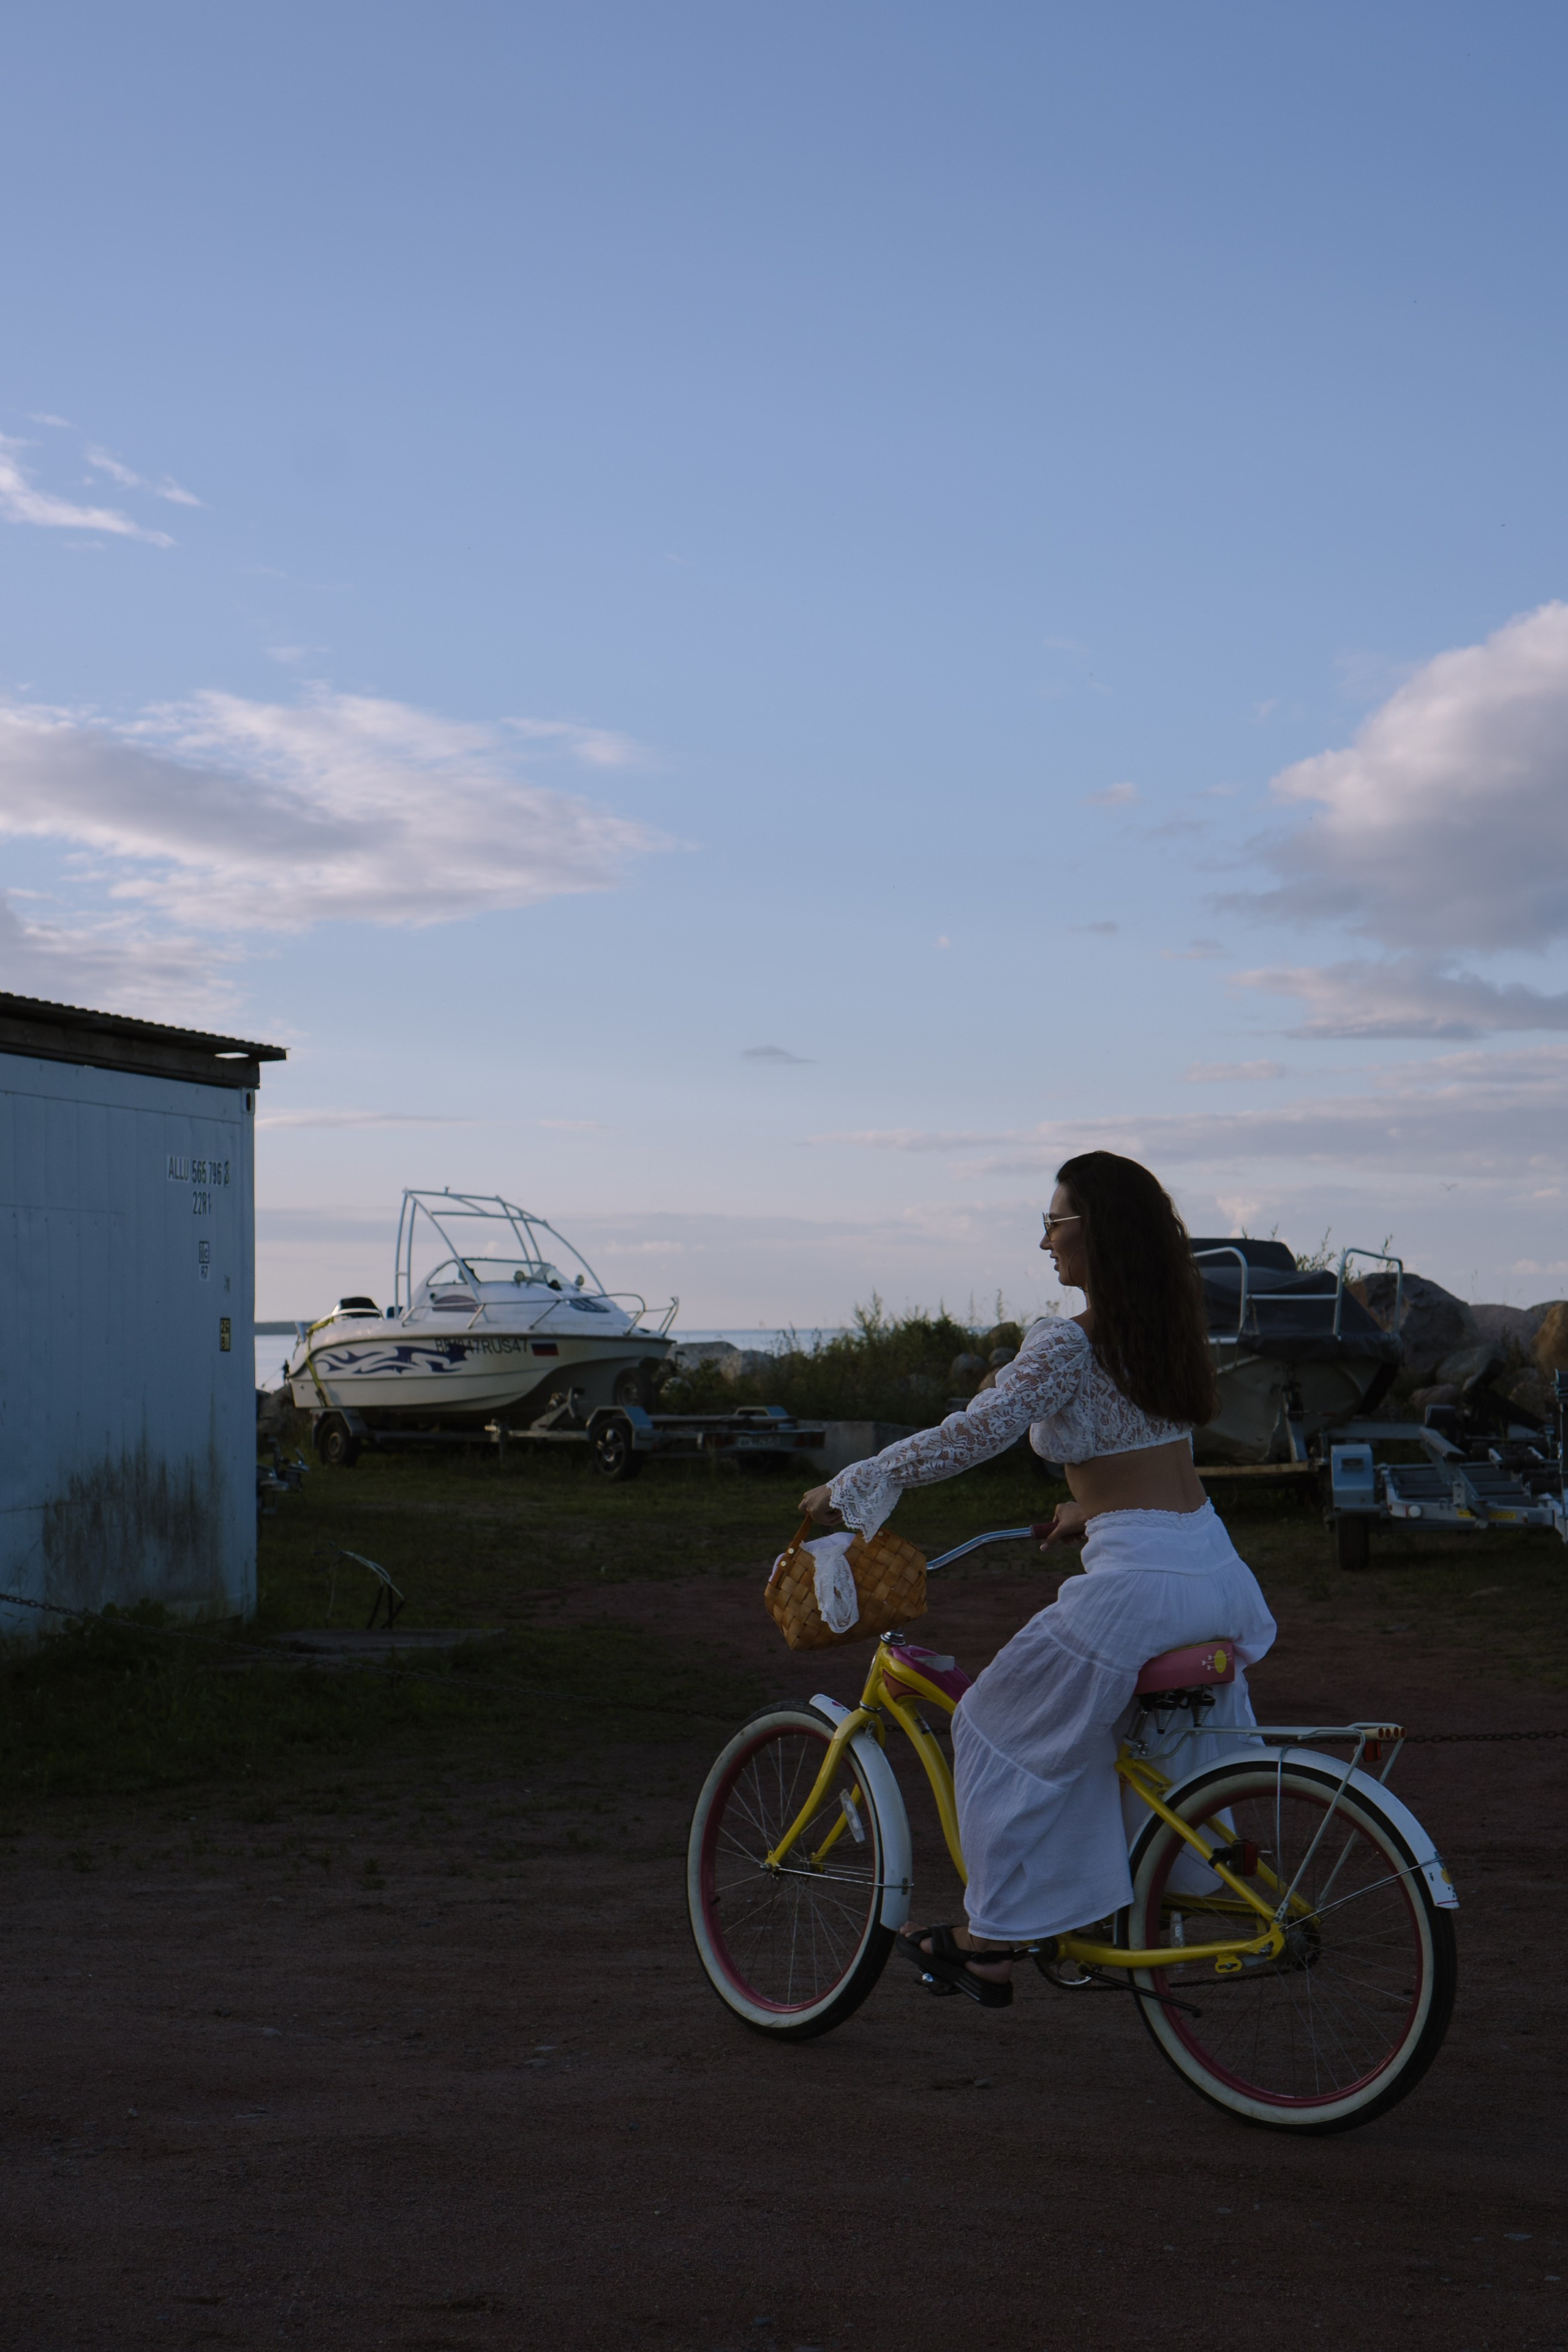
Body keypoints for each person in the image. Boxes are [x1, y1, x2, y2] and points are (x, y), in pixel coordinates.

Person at [798, 1150, 1276, 2008]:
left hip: (1137, 1589)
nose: (1044, 1242)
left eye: (1054, 1223)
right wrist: (1087, 1510)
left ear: (1097, 1233)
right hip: (1213, 1568)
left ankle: (990, 1939)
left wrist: (852, 1485)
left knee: (990, 1724)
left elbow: (972, 1432)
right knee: (1115, 1741)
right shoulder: (1162, 1329)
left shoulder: (1065, 1343)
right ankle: (1140, 1893)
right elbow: (1150, 1457)